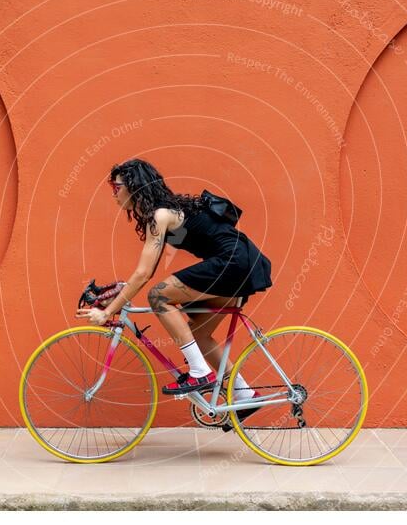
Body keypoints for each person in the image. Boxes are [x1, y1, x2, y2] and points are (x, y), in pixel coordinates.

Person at [75, 158, 272, 410]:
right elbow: (148, 268)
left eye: (116, 187)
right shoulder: (168, 212)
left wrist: (107, 312)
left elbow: (144, 274)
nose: (114, 193)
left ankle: (200, 371)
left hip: (232, 263)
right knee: (198, 334)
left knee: (158, 297)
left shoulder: (161, 215)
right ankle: (243, 394)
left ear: (135, 187)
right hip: (242, 263)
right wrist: (116, 295)